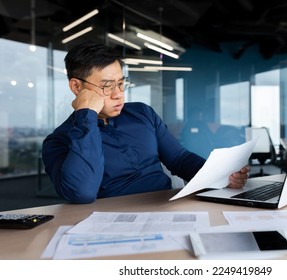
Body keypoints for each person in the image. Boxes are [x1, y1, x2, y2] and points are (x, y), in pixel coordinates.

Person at [42, 42, 250, 204]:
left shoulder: (142, 113)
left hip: (169, 206)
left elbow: (179, 159)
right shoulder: (59, 142)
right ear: (77, 87)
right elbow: (82, 193)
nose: (119, 94)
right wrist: (86, 114)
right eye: (107, 86)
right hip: (114, 222)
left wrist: (221, 177)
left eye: (122, 83)